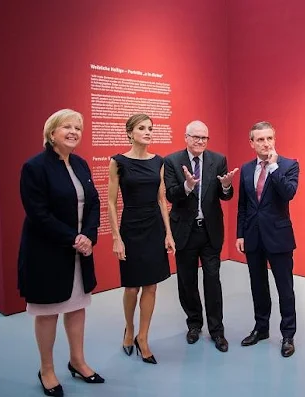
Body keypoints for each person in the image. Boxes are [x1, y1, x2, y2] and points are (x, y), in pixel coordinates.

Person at [18, 109, 104, 397]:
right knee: (48, 313)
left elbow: (93, 203)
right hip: (48, 252)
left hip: (80, 250)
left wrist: (89, 236)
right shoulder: (34, 167)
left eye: (78, 127)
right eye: (66, 126)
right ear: (51, 132)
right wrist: (74, 238)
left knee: (77, 306)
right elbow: (38, 214)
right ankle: (47, 369)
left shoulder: (80, 164)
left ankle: (77, 362)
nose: (73, 132)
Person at [164, 120, 237, 352]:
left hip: (209, 231)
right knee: (187, 281)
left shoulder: (218, 160)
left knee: (212, 280)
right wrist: (186, 187)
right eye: (195, 137)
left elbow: (225, 196)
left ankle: (217, 331)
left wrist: (226, 187)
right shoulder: (172, 161)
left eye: (204, 138)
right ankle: (194, 323)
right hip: (184, 231)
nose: (200, 141)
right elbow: (170, 196)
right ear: (185, 137)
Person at [107, 114, 175, 365]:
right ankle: (128, 329)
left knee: (152, 285)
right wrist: (117, 237)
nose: (148, 132)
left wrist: (168, 233)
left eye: (150, 128)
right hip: (131, 227)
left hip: (154, 226)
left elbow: (162, 198)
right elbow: (112, 203)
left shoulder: (158, 161)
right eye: (142, 128)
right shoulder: (118, 162)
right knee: (132, 286)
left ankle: (143, 337)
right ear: (130, 132)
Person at [235, 121, 299, 358]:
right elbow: (243, 205)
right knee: (258, 286)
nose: (265, 143)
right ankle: (261, 328)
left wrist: (273, 168)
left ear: (275, 139)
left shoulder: (289, 165)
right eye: (260, 139)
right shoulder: (246, 168)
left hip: (279, 236)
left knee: (285, 288)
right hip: (253, 236)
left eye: (269, 138)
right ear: (251, 143)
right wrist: (240, 233)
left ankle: (288, 335)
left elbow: (288, 193)